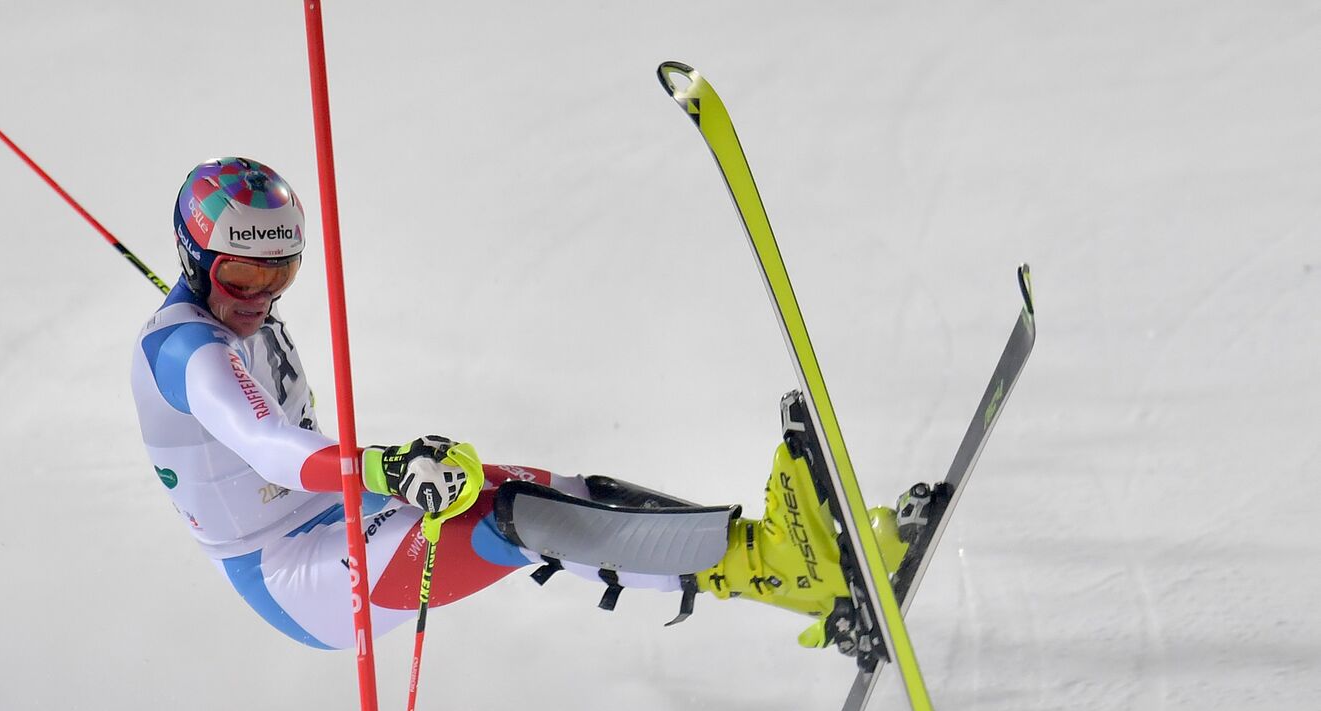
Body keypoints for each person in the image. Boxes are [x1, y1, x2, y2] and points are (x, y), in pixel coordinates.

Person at [132, 157, 931, 656]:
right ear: (194, 257)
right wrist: (387, 467)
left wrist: (389, 475)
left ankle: (790, 562)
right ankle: (777, 566)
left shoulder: (228, 313)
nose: (260, 297)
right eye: (241, 276)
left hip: (341, 508)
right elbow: (266, 445)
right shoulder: (188, 353)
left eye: (280, 275)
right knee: (517, 523)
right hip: (291, 573)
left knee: (551, 490)